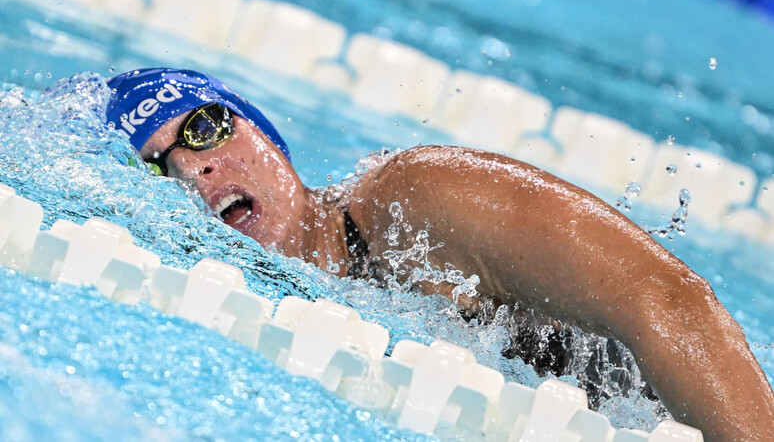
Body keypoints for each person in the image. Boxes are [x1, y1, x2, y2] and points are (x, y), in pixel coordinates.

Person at [106, 68, 774, 442]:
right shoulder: (259, 313)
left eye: (204, 127)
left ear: (268, 136)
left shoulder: (413, 202)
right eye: (159, 170)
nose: (197, 168)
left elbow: (668, 301)